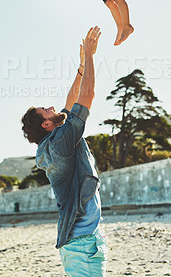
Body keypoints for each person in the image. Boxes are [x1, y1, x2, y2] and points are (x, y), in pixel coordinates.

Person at [21, 26, 107, 277]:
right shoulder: (61, 141)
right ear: (47, 125)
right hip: (82, 244)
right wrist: (91, 56)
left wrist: (80, 67)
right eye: (45, 111)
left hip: (78, 242)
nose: (51, 106)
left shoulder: (54, 141)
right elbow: (87, 96)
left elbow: (69, 105)